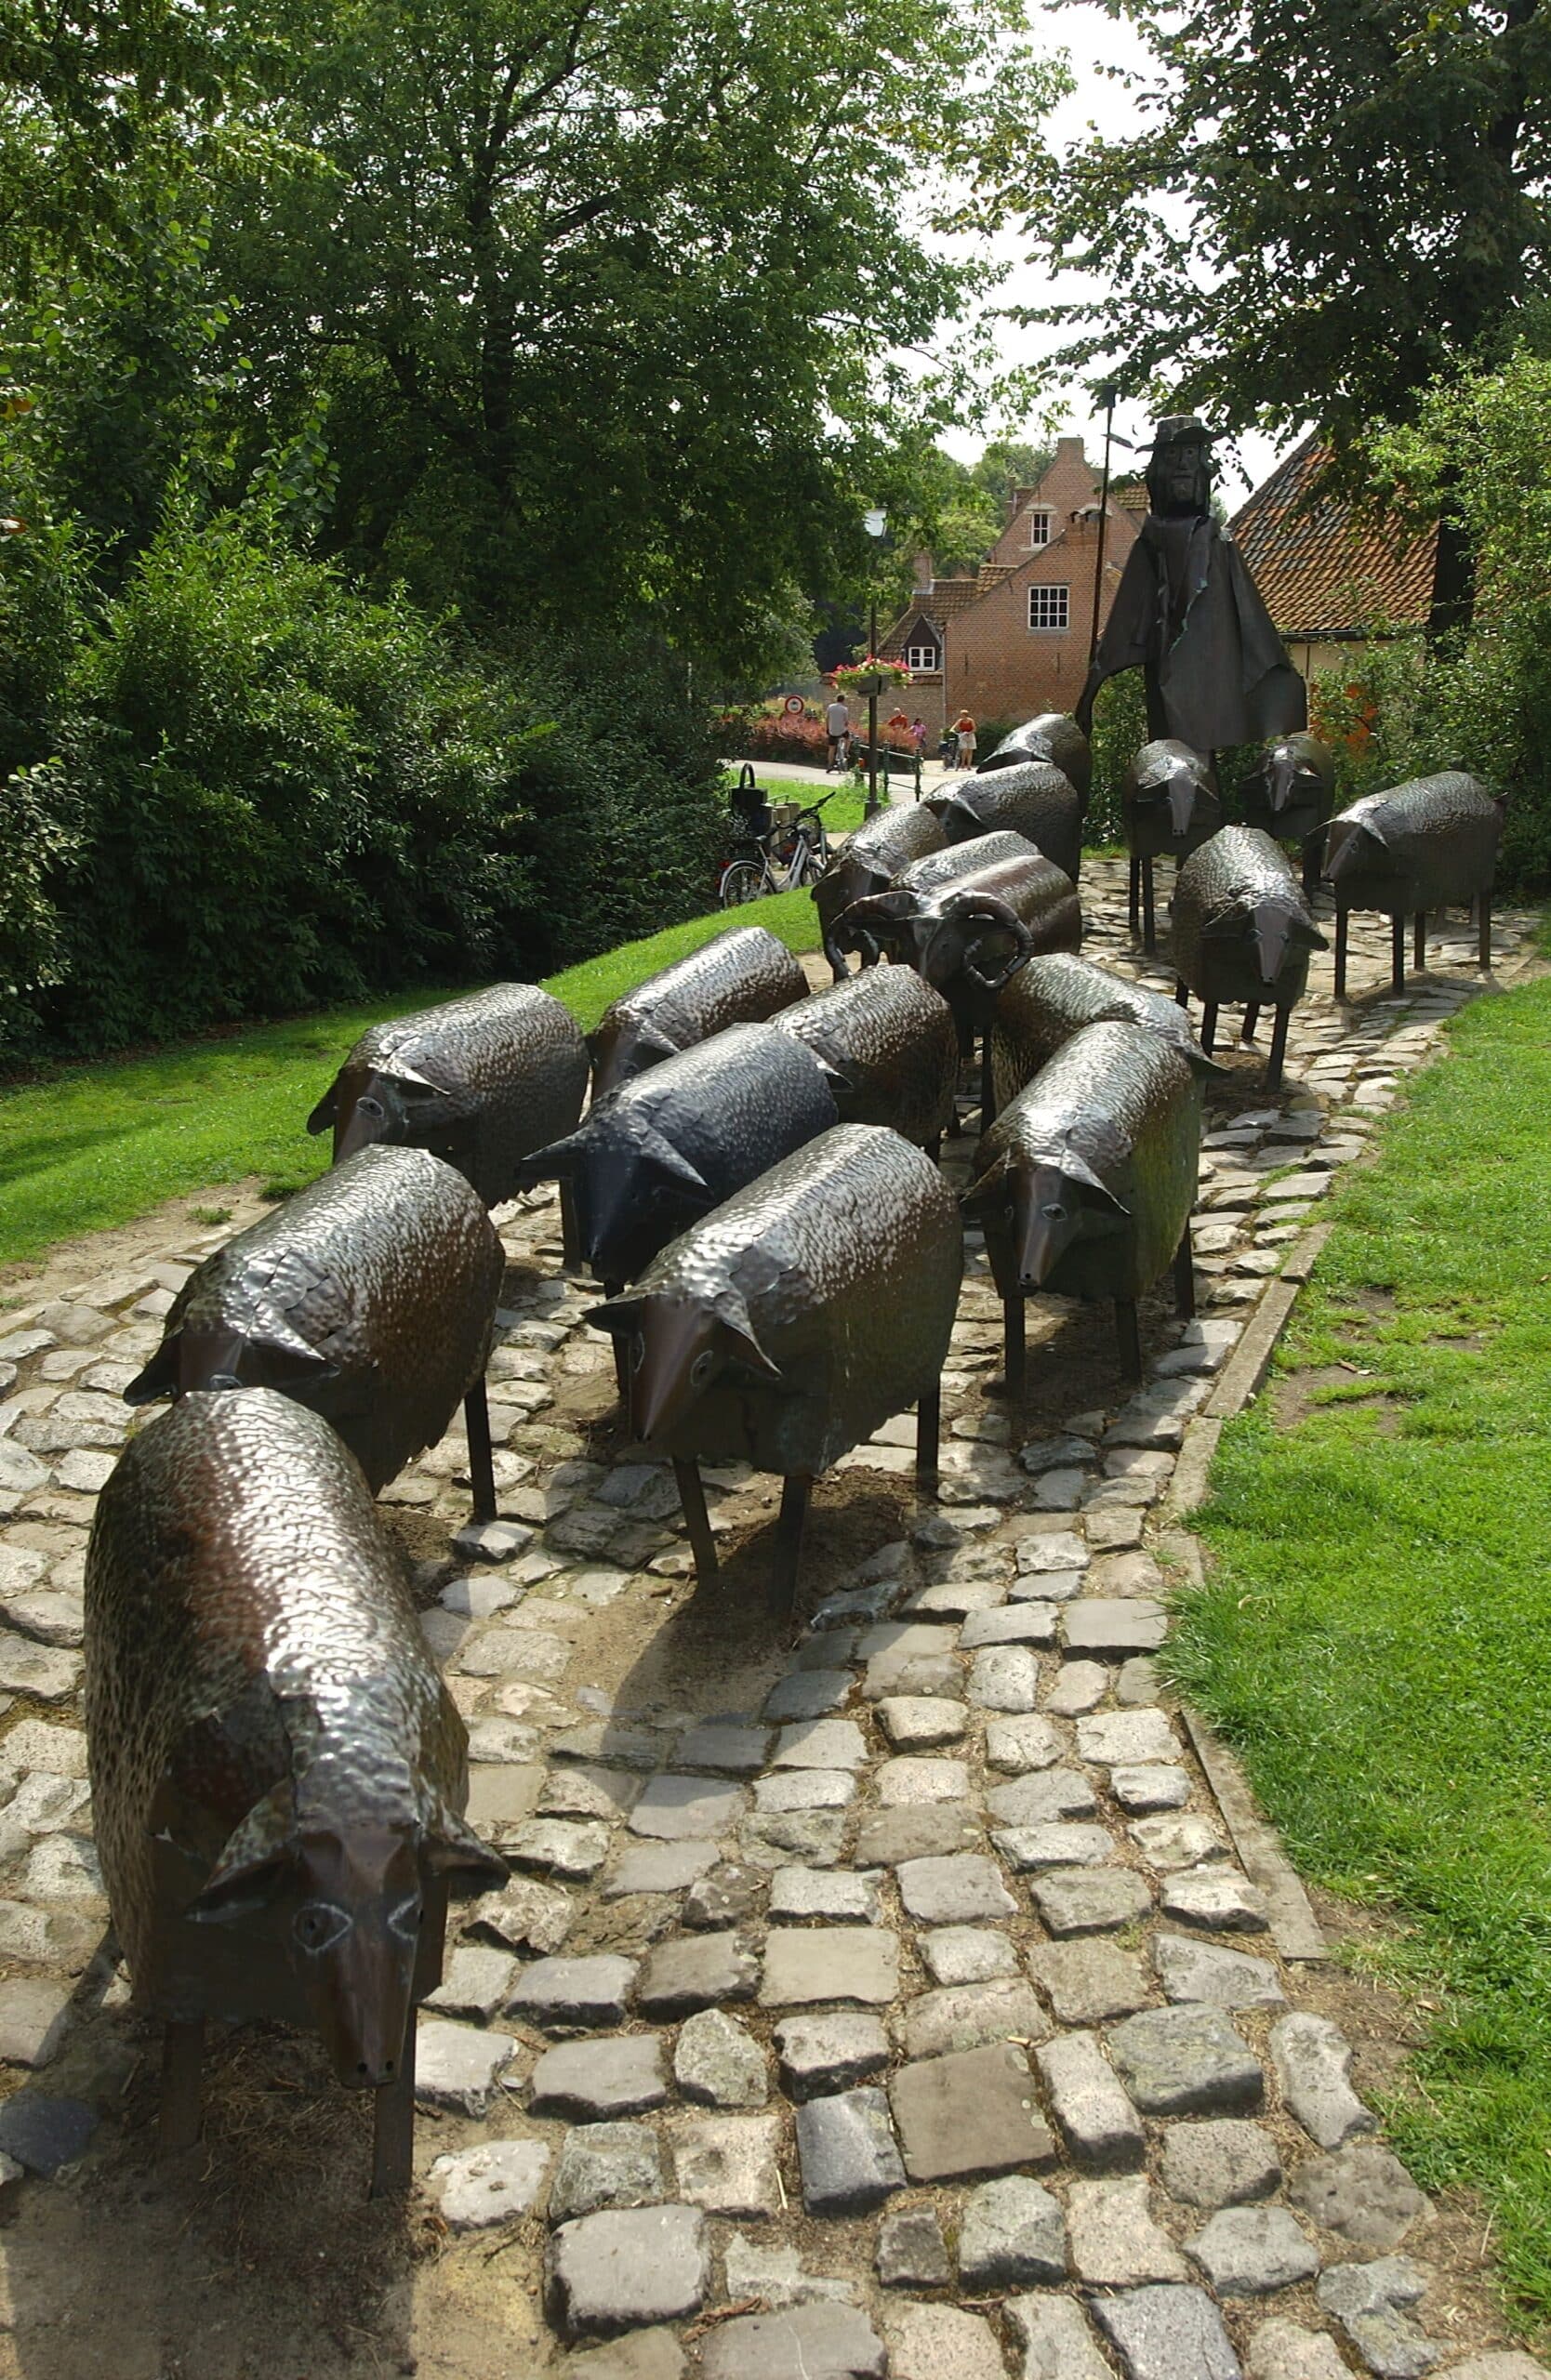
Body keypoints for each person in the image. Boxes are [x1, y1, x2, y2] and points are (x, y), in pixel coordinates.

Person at [825, 694, 852, 772]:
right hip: (841, 730)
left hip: (832, 731)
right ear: (843, 700)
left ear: (836, 699)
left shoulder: (830, 707)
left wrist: (828, 728)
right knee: (848, 738)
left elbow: (827, 718)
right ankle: (846, 752)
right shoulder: (844, 709)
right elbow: (846, 722)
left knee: (831, 748)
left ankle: (830, 765)